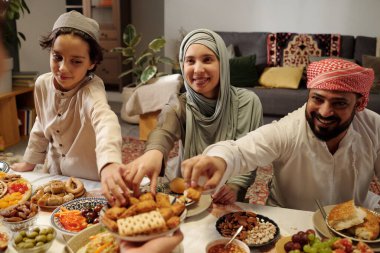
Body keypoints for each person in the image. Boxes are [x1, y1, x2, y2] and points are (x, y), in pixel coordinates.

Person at [181, 58, 380, 211]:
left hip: (353, 222)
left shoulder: (374, 127)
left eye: (339, 103)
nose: (324, 112)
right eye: (317, 99)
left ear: (358, 104)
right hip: (291, 221)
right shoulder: (288, 130)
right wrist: (219, 160)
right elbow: (239, 151)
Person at [122, 28, 263, 204]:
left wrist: (234, 187)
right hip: (188, 195)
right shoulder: (179, 104)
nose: (198, 69)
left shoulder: (248, 103)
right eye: (190, 61)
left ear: (223, 64)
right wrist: (154, 153)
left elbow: (250, 152)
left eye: (207, 59)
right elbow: (163, 131)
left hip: (228, 198)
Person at [10, 11, 128, 206]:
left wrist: (109, 164)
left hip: (90, 178)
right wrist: (29, 162)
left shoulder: (91, 90)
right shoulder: (42, 84)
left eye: (76, 61)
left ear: (92, 63)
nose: (63, 68)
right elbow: (41, 123)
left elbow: (105, 121)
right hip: (55, 173)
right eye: (57, 57)